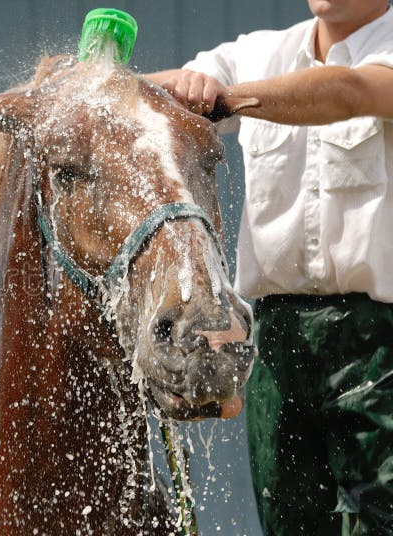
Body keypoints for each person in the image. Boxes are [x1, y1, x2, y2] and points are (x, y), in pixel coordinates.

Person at [145, 1, 393, 534]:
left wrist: (226, 102)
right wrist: (92, 87)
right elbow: (173, 89)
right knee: (288, 525)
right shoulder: (256, 52)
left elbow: (348, 91)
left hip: (381, 349)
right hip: (279, 344)